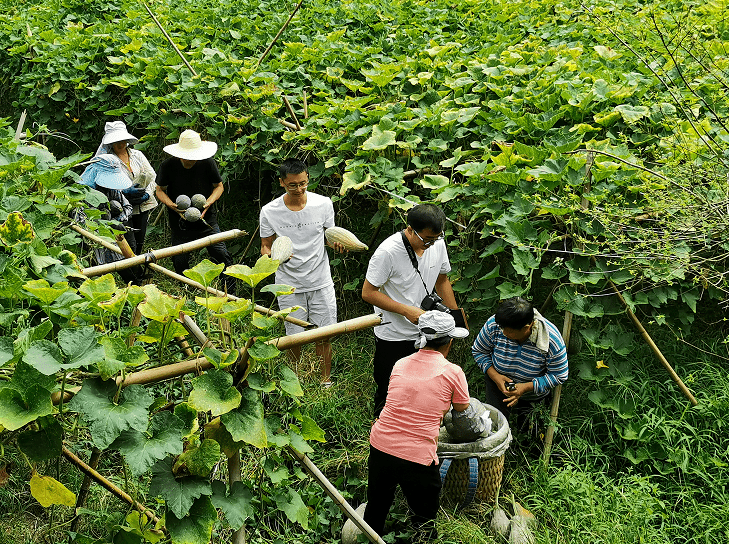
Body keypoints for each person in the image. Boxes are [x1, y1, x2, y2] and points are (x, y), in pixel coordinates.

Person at [363, 311, 470, 540]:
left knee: (376, 507)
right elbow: (462, 411)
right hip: (418, 456)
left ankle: (370, 536)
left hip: (380, 444)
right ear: (449, 342)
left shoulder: (400, 364)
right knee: (424, 519)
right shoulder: (453, 372)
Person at [361, 203, 458, 417]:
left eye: (436, 239)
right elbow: (368, 292)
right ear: (410, 229)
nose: (431, 244)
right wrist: (406, 310)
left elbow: (442, 280)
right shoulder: (388, 252)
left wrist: (456, 317)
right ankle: (381, 432)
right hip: (394, 335)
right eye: (426, 240)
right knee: (390, 389)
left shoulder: (437, 243)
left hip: (427, 333)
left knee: (424, 387)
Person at [259, 159, 346, 386]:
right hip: (289, 283)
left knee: (324, 335)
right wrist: (270, 257)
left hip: (320, 281)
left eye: (303, 184)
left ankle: (324, 381)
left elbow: (329, 236)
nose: (299, 189)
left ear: (308, 179)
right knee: (293, 338)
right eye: (292, 185)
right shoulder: (270, 211)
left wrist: (337, 244)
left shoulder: (323, 204)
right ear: (281, 183)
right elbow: (266, 245)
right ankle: (293, 383)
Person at [155, 129, 235, 294]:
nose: (191, 159)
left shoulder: (207, 163)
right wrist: (172, 206)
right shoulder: (168, 166)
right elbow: (159, 190)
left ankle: (230, 293)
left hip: (207, 220)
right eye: (187, 156)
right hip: (180, 222)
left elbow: (218, 186)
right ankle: (188, 292)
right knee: (180, 260)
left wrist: (208, 204)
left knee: (222, 255)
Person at [472, 297, 568, 431]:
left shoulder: (551, 340)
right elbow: (479, 350)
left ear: (527, 327)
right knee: (495, 426)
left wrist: (526, 387)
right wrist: (495, 376)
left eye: (509, 331)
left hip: (533, 395)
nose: (504, 333)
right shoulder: (495, 324)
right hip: (498, 385)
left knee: (530, 432)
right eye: (502, 328)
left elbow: (559, 375)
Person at [94, 121, 158, 254]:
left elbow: (153, 176)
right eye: (116, 141)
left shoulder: (137, 155)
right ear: (110, 143)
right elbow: (102, 185)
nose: (120, 144)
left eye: (123, 140)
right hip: (121, 207)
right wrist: (124, 193)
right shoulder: (107, 160)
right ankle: (131, 270)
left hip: (143, 204)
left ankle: (138, 268)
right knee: (128, 242)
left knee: (140, 240)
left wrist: (147, 193)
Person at [79, 154, 137, 283]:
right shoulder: (81, 193)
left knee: (124, 265)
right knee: (96, 272)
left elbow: (127, 206)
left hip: (111, 237)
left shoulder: (113, 190)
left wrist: (117, 221)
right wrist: (105, 225)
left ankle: (136, 286)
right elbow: (80, 222)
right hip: (89, 240)